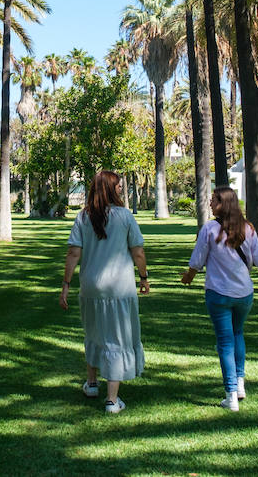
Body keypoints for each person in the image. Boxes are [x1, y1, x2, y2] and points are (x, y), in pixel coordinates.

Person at [181, 186, 258, 411]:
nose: (209, 203)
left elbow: (196, 262)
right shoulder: (249, 229)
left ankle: (231, 395)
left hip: (218, 294)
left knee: (225, 342)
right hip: (244, 295)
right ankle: (240, 383)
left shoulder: (209, 229)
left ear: (223, 204)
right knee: (237, 335)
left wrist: (188, 278)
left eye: (213, 200)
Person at [59, 170, 150, 414]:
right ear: (111, 189)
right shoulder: (125, 217)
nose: (121, 189)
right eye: (118, 186)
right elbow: (138, 251)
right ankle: (112, 399)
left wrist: (66, 285)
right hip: (119, 288)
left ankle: (91, 383)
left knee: (93, 333)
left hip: (90, 286)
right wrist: (144, 277)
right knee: (116, 338)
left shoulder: (83, 217)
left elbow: (73, 254)